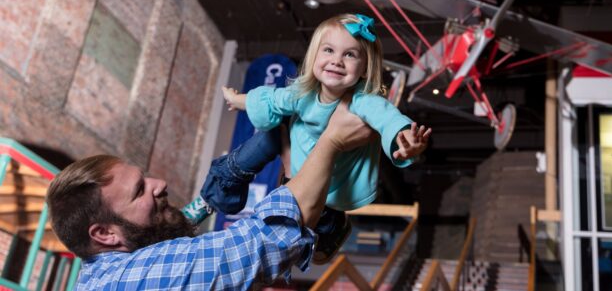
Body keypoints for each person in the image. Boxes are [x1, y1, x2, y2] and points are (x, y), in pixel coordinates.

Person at [46, 96, 374, 290]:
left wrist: (221, 185)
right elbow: (265, 242)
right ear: (104, 234)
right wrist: (332, 140)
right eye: (140, 190)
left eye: (144, 177)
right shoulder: (131, 282)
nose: (159, 183)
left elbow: (170, 232)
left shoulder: (108, 268)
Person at [218, 13, 432, 263]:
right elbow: (271, 99)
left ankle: (333, 232)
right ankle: (219, 190)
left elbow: (388, 118)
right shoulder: (302, 93)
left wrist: (405, 139)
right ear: (314, 56)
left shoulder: (363, 102)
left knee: (318, 243)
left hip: (335, 184)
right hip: (298, 173)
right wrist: (237, 99)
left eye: (350, 54)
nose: (336, 61)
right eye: (328, 50)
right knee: (270, 146)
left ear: (365, 68)